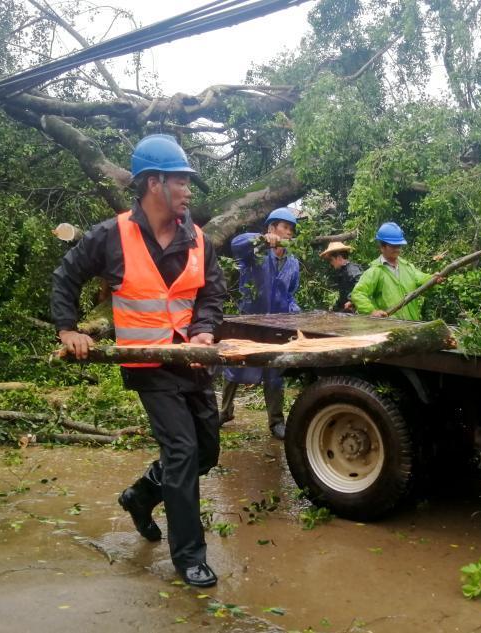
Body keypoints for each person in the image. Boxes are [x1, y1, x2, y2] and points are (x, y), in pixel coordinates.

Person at [51, 134, 226, 588]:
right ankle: (189, 556)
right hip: (147, 367)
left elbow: (212, 290)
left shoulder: (197, 238)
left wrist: (205, 327)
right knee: (183, 452)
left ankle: (141, 494)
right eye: (182, 181)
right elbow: (66, 275)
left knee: (206, 450)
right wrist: (68, 329)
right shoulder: (112, 235)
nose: (189, 190)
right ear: (154, 184)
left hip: (191, 361)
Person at [220, 208, 299, 439]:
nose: (289, 232)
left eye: (291, 229)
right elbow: (236, 244)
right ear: (271, 228)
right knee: (235, 363)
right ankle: (225, 411)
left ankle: (276, 422)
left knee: (275, 371)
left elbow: (291, 293)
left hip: (277, 325)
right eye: (284, 227)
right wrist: (260, 240)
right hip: (250, 320)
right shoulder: (255, 252)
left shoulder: (293, 262)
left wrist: (295, 313)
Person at [350, 221, 440, 321]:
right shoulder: (375, 271)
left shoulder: (407, 267)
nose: (397, 249)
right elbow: (358, 293)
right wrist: (372, 311)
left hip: (412, 326)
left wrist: (433, 279)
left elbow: (422, 278)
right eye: (393, 246)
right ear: (382, 247)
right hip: (388, 329)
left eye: (399, 246)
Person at [319, 241, 363, 312]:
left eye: (331, 260)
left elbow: (361, 285)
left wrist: (351, 301)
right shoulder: (342, 271)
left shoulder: (352, 269)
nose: (331, 263)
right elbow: (343, 295)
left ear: (339, 258)